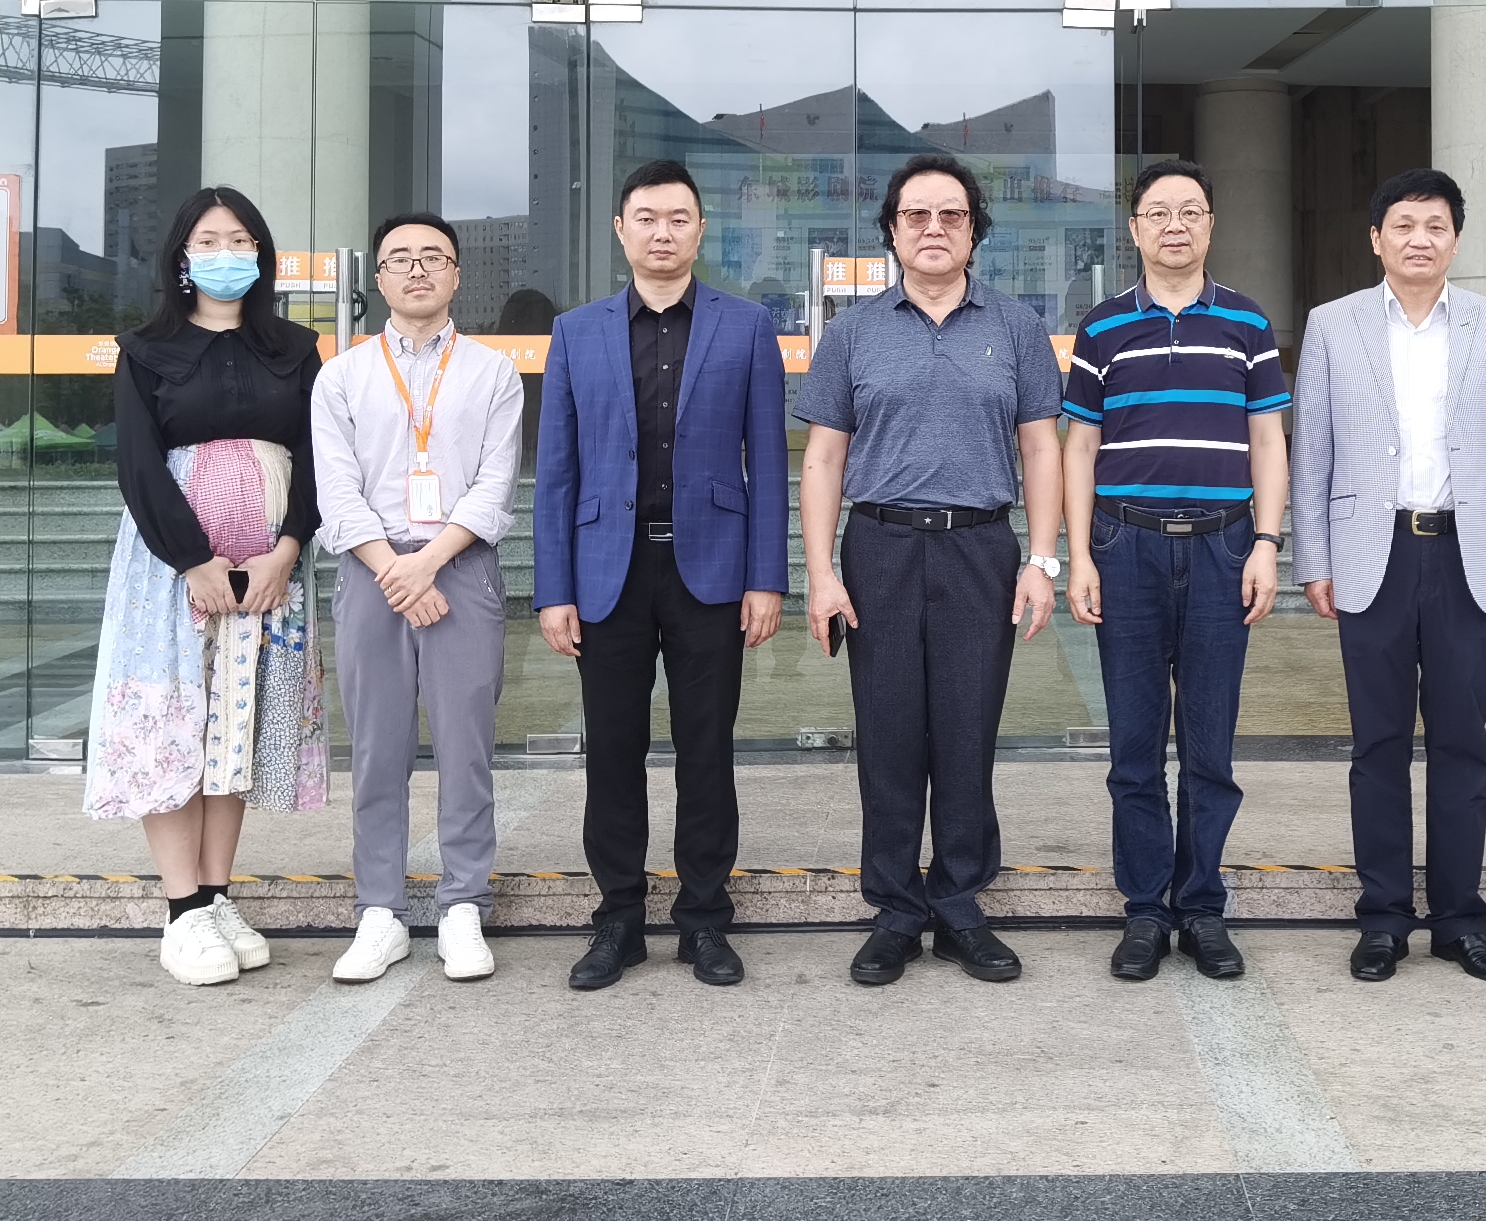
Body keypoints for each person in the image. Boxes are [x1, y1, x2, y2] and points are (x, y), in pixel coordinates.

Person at [799, 153, 1066, 987]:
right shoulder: (852, 332)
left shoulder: (1016, 327)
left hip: (979, 548)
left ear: (974, 230)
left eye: (952, 215)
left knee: (966, 728)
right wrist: (820, 570)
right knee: (886, 735)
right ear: (891, 230)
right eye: (916, 215)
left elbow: (1041, 449)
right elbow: (823, 459)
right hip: (877, 548)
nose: (934, 228)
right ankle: (894, 910)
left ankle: (957, 905)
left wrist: (1042, 558)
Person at [536, 158, 790, 992]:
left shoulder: (746, 327)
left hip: (710, 569)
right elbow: (557, 472)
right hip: (606, 570)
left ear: (699, 229)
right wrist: (554, 590)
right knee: (612, 752)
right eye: (646, 218)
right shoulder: (576, 332)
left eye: (678, 218)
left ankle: (705, 920)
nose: (662, 232)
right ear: (621, 230)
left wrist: (766, 578)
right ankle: (618, 919)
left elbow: (769, 462)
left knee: (706, 750)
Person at [1290, 169, 1486, 984]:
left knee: (1465, 743)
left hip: (1469, 553)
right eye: (1403, 225)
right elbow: (1312, 451)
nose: (1419, 239)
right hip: (1375, 554)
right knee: (1379, 744)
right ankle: (1384, 918)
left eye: (1435, 225)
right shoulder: (1333, 325)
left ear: (1455, 240)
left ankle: (1461, 921)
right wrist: (1314, 558)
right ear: (1377, 239)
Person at [83, 186, 328, 988]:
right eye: (210, 240)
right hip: (171, 574)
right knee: (172, 724)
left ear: (262, 254)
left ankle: (218, 895)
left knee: (238, 728)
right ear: (183, 258)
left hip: (272, 575)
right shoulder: (146, 350)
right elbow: (138, 464)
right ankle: (181, 907)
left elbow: (317, 454)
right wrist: (192, 560)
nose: (228, 253)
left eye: (241, 240)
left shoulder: (295, 348)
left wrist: (287, 548)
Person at [1058, 159, 1290, 985]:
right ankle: (1145, 911)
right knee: (1133, 745)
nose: (1175, 225)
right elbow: (1079, 447)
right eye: (1158, 212)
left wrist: (1268, 543)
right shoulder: (1102, 328)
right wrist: (1080, 556)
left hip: (1225, 547)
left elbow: (1268, 440)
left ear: (1211, 224)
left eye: (1190, 211)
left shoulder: (1247, 323)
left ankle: (1201, 907)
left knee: (1209, 745)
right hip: (1126, 546)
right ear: (1135, 229)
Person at [314, 211, 523, 986]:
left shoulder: (492, 372)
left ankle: (464, 903)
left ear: (457, 275)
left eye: (433, 257)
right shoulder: (342, 375)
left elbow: (496, 483)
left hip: (459, 567)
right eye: (399, 258)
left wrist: (428, 564)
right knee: (377, 748)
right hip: (372, 571)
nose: (416, 270)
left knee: (467, 746)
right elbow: (336, 490)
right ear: (378, 279)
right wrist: (394, 570)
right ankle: (381, 909)